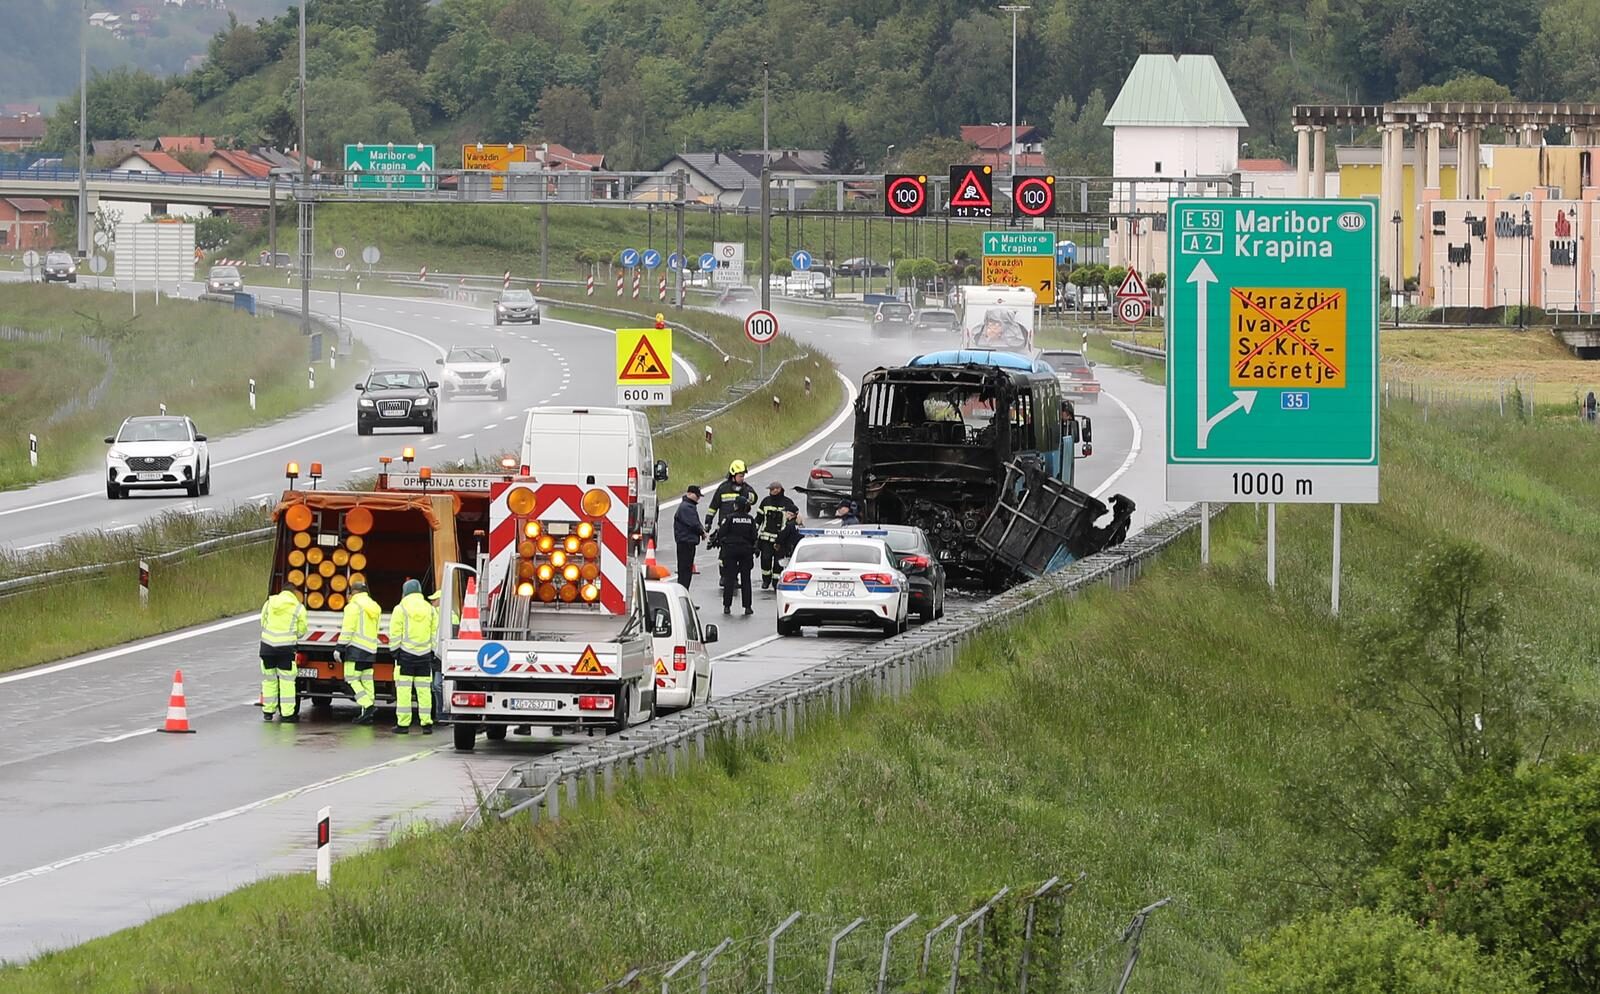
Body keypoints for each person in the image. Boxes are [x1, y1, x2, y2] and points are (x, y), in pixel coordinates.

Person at [388, 579, 437, 734]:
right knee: (424, 691)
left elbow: (395, 632)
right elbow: (435, 633)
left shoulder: (400, 608)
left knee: (404, 691)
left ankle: (403, 725)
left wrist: (395, 651)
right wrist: (433, 652)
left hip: (405, 656)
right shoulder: (430, 609)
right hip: (424, 657)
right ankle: (426, 724)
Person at [259, 588, 308, 723]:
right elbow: (302, 629)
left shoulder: (269, 603)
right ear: (294, 594)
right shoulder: (298, 607)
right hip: (285, 649)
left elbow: (263, 621)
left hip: (266, 648)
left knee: (269, 680)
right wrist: (292, 636)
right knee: (287, 681)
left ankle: (268, 711)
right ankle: (287, 714)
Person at [337, 581, 381, 725]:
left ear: (353, 592)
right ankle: (366, 715)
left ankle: (368, 706)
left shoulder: (353, 607)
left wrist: (339, 647)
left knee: (351, 678)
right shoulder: (374, 607)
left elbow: (348, 629)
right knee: (367, 681)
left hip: (355, 649)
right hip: (370, 649)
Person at [715, 496, 758, 616]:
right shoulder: (750, 519)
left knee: (730, 579)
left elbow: (721, 533)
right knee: (746, 579)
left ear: (736, 506)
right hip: (746, 551)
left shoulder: (729, 518)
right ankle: (748, 607)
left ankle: (727, 606)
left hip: (731, 551)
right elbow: (754, 536)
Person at [756, 481, 799, 590]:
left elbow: (794, 518)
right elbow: (759, 518)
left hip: (781, 539)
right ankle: (766, 580)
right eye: (770, 490)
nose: (771, 491)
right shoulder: (765, 502)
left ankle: (776, 582)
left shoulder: (788, 502)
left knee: (778, 562)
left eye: (773, 489)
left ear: (778, 489)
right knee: (765, 559)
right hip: (766, 538)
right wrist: (753, 532)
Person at [704, 459, 758, 531]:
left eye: (743, 476)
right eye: (740, 476)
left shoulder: (746, 488)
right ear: (733, 475)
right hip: (725, 526)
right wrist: (708, 522)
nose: (742, 478)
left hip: (740, 526)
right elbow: (713, 507)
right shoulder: (723, 488)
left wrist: (745, 492)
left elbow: (754, 500)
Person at [673, 484, 707, 588]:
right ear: (689, 494)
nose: (698, 498)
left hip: (687, 541)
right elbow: (693, 523)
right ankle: (682, 593)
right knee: (685, 572)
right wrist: (702, 532)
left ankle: (684, 593)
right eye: (696, 496)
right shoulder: (686, 507)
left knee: (686, 571)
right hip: (685, 542)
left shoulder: (689, 506)